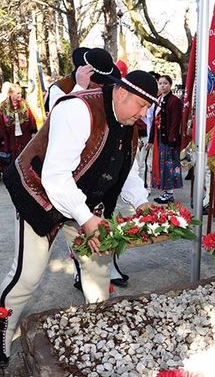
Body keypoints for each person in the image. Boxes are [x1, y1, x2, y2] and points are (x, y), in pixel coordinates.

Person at [0, 70, 158, 368]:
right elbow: (55, 177)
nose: (143, 114)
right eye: (141, 105)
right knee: (27, 275)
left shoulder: (128, 123)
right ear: (120, 93)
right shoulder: (78, 109)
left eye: (147, 108)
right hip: (40, 195)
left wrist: (141, 202)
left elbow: (126, 169)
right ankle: (1, 331)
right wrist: (85, 218)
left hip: (86, 203)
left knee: (98, 269)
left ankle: (97, 323)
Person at [44, 47, 129, 290]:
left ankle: (105, 270)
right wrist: (81, 89)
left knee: (100, 226)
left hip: (93, 173)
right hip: (62, 176)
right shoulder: (61, 88)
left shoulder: (104, 93)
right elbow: (60, 118)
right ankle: (80, 274)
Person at [150, 75, 184, 204]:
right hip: (160, 138)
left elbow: (176, 121)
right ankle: (165, 191)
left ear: (170, 85)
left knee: (169, 164)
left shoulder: (174, 101)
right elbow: (154, 120)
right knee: (162, 164)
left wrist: (172, 138)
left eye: (165, 83)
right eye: (160, 83)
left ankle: (169, 193)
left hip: (169, 139)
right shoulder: (158, 100)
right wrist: (151, 139)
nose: (163, 86)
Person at [0, 82, 37, 164]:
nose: (20, 95)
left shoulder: (24, 103)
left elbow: (31, 118)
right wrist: (2, 138)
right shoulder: (3, 106)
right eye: (17, 93)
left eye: (20, 93)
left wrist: (33, 131)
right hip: (10, 137)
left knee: (25, 156)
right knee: (12, 158)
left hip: (24, 136)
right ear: (10, 93)